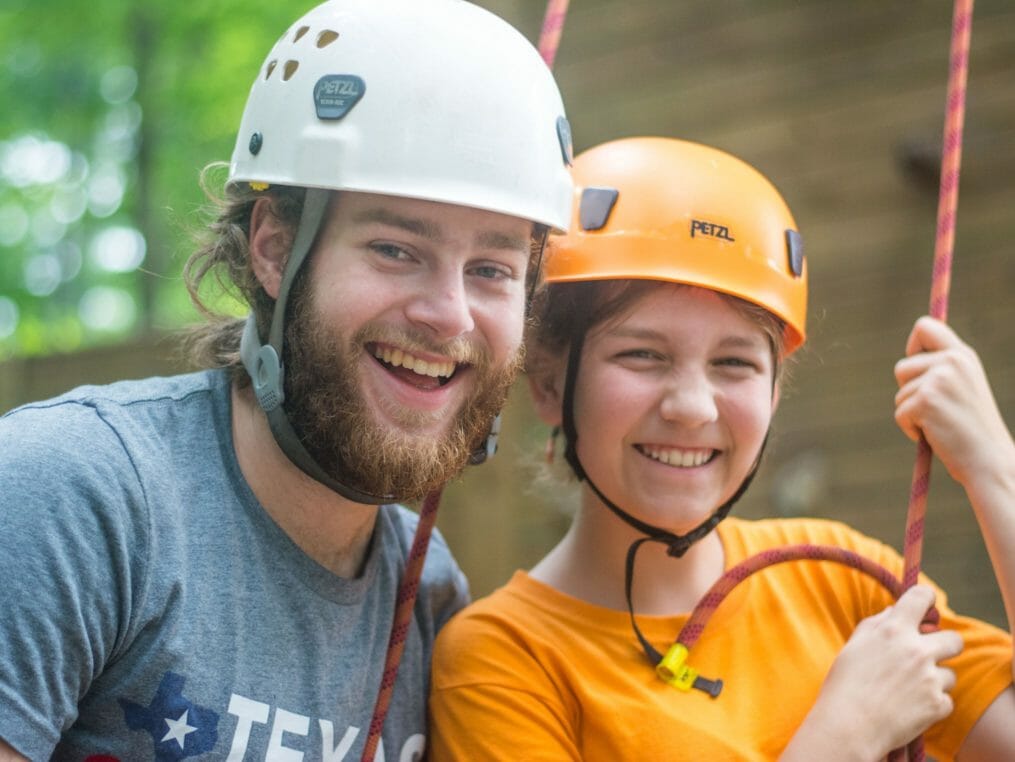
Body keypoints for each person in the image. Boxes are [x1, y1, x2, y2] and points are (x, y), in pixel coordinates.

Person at [0, 0, 574, 758]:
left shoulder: (425, 588)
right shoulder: (74, 495)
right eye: (396, 249)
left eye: (493, 269)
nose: (449, 315)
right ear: (273, 248)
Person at [428, 136, 1015, 760]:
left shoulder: (839, 580)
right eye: (642, 355)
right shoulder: (501, 662)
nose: (693, 407)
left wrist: (994, 467)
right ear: (549, 384)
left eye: (734, 363)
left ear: (773, 396)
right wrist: (845, 736)